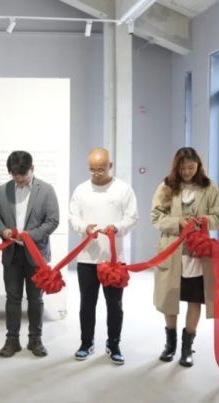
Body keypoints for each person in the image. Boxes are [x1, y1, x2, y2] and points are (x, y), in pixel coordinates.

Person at [151, 146, 219, 367]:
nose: (187, 172)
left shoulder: (209, 187)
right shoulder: (166, 186)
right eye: (183, 168)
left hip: (197, 254)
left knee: (195, 298)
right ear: (176, 167)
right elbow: (156, 217)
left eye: (191, 167)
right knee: (169, 299)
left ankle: (187, 347)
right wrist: (178, 222)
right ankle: (170, 344)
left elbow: (218, 217)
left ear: (198, 166)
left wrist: (203, 221)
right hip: (171, 251)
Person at [69, 148, 138, 365]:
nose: (96, 174)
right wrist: (84, 227)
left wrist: (116, 227)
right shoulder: (81, 190)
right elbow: (73, 217)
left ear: (110, 166)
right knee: (87, 303)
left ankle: (113, 344)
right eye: (92, 169)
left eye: (100, 169)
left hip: (114, 259)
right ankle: (86, 342)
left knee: (114, 304)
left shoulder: (123, 190)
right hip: (87, 257)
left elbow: (132, 218)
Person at [0, 151, 59, 358]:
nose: (19, 178)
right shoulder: (3, 190)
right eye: (14, 174)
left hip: (36, 254)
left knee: (35, 298)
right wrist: (3, 230)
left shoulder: (46, 190)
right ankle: (12, 340)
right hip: (11, 253)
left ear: (32, 169)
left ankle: (35, 339)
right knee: (12, 298)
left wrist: (31, 236)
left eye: (23, 174)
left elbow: (52, 220)